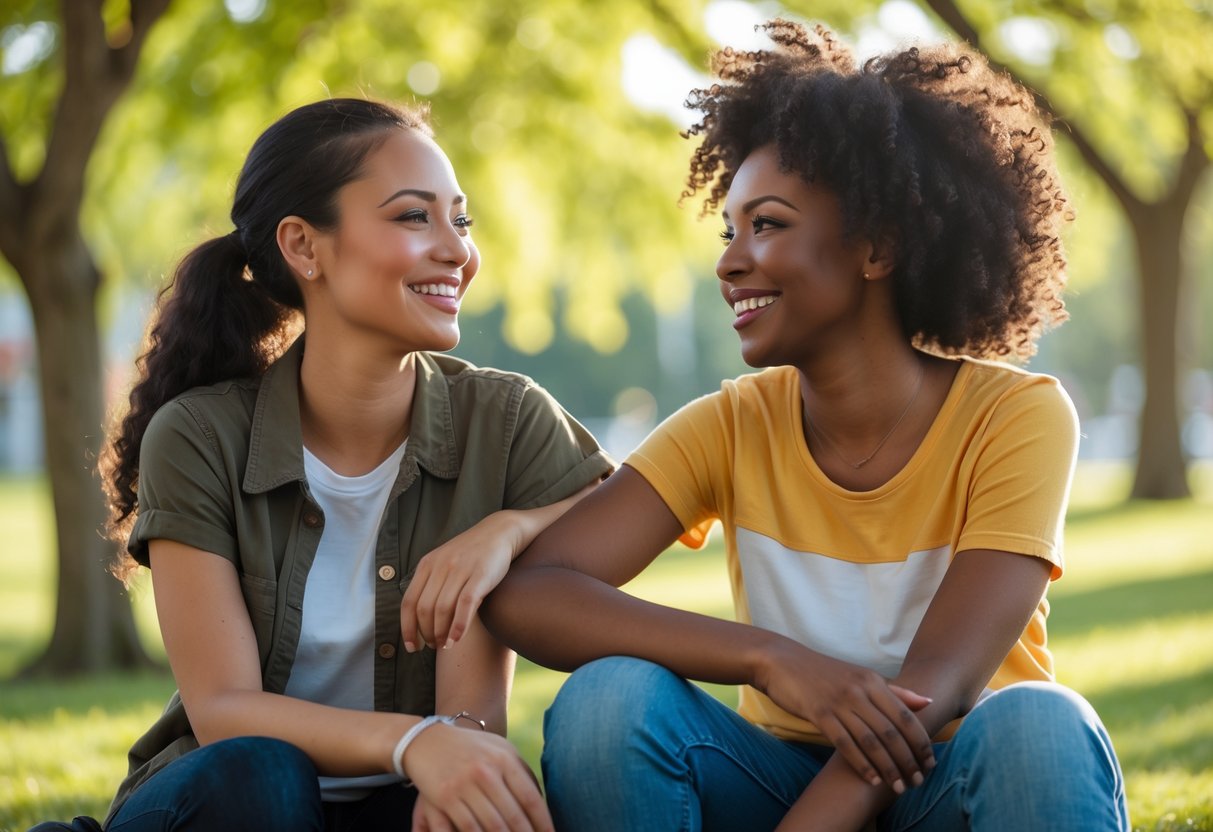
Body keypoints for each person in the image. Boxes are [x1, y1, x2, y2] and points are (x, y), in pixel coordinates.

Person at [482, 21, 1129, 832]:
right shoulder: (729, 425)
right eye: (729, 231)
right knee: (607, 702)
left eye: (769, 225)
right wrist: (770, 658)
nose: (727, 261)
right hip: (775, 776)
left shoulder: (1016, 416)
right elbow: (535, 596)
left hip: (951, 786)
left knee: (1039, 722)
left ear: (877, 247)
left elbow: (941, 683)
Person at [36, 98, 612, 832]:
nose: (456, 250)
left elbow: (629, 503)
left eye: (459, 221)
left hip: (398, 807)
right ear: (304, 246)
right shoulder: (198, 436)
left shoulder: (502, 421)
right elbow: (223, 713)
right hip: (230, 801)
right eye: (413, 217)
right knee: (264, 773)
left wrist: (506, 530)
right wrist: (413, 743)